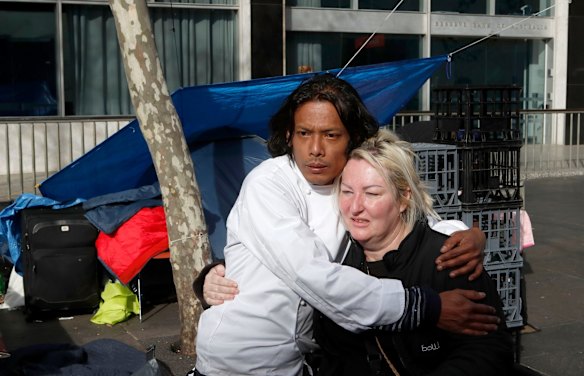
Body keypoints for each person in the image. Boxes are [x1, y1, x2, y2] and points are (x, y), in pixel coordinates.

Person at [192, 74, 496, 376]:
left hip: (297, 365)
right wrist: (425, 307)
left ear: (353, 138)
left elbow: (405, 214)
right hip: (234, 364)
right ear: (288, 136)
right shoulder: (268, 183)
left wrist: (462, 235)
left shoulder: (346, 181)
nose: (315, 149)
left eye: (330, 135)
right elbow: (309, 272)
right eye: (303, 133)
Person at [314, 129, 513, 375]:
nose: (355, 207)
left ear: (403, 198)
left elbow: (488, 352)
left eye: (372, 193)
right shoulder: (334, 261)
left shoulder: (452, 259)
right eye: (347, 191)